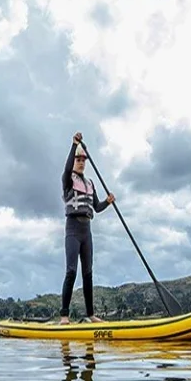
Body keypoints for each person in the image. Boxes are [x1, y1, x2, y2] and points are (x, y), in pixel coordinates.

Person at [60, 132, 115, 324]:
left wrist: (108, 202)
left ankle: (91, 314)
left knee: (88, 273)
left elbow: (97, 208)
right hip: (73, 229)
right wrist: (74, 145)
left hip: (87, 230)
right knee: (71, 271)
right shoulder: (68, 179)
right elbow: (67, 168)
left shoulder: (90, 183)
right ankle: (64, 316)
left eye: (84, 160)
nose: (81, 162)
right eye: (78, 159)